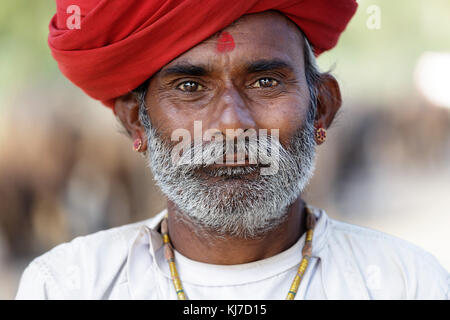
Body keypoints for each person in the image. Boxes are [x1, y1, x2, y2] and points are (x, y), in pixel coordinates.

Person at [16, 0, 448, 299]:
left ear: (322, 109)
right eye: (190, 87)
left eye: (266, 83)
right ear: (136, 121)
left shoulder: (407, 283)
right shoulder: (68, 285)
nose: (231, 124)